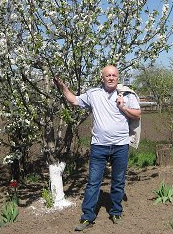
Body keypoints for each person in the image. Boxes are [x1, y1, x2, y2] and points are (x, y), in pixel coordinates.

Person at [54, 65, 141, 231]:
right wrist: (62, 87)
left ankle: (116, 212)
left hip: (120, 146)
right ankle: (87, 217)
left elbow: (137, 114)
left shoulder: (127, 95)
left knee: (118, 181)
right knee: (93, 182)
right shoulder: (93, 94)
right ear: (102, 78)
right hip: (99, 146)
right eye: (107, 75)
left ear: (118, 77)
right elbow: (74, 100)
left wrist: (122, 106)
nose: (111, 78)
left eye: (114, 75)